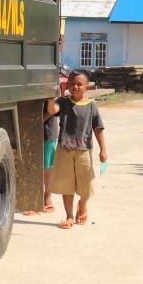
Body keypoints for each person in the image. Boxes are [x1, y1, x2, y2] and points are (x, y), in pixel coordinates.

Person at [46, 70, 107, 229]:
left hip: (84, 151)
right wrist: (51, 97)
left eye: (79, 84)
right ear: (67, 85)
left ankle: (83, 204)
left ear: (87, 86)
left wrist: (103, 150)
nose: (75, 87)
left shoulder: (91, 105)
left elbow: (98, 128)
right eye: (72, 83)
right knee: (67, 185)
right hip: (64, 149)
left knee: (86, 186)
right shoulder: (64, 102)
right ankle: (69, 216)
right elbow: (52, 110)